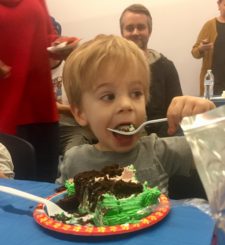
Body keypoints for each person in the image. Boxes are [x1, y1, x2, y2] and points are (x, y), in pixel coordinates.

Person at [57, 34, 215, 196]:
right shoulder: (74, 161)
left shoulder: (157, 151)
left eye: (136, 93)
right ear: (80, 113)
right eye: (108, 96)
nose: (126, 105)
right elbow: (56, 201)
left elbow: (216, 153)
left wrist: (208, 121)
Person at [0, 0, 77, 182]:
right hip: (7, 111)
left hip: (43, 109)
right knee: (13, 188)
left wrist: (61, 45)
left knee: (46, 183)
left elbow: (47, 38)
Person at [119, 4, 183, 137]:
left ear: (149, 31)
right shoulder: (111, 69)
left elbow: (176, 112)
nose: (135, 32)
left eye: (141, 27)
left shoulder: (166, 67)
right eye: (130, 28)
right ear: (122, 33)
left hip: (162, 143)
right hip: (124, 141)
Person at [50, 17, 97, 156]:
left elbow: (90, 110)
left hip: (74, 127)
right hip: (46, 127)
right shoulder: (33, 71)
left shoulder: (74, 67)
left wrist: (59, 108)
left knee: (74, 154)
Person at [191, 0, 225, 96]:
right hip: (214, 85)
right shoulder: (210, 25)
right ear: (219, 5)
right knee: (213, 110)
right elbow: (194, 52)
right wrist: (201, 49)